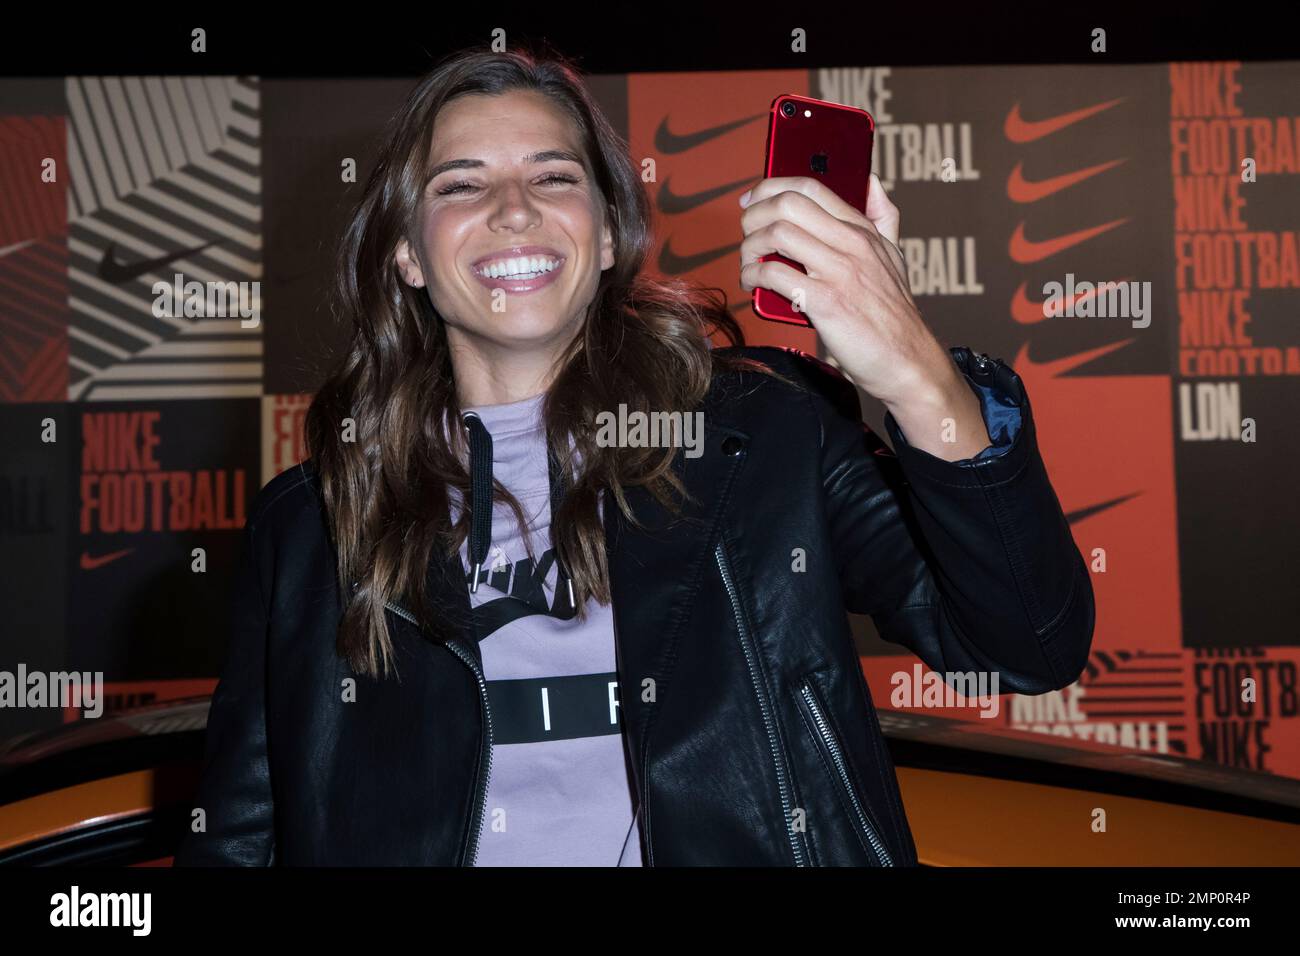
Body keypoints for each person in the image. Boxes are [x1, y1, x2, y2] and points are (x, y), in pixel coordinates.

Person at [174, 43, 1093, 867]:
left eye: (554, 177)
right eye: (459, 185)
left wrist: (918, 379)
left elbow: (1026, 643)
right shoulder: (314, 523)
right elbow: (241, 836)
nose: (512, 210)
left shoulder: (762, 432)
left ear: (609, 236)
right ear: (409, 254)